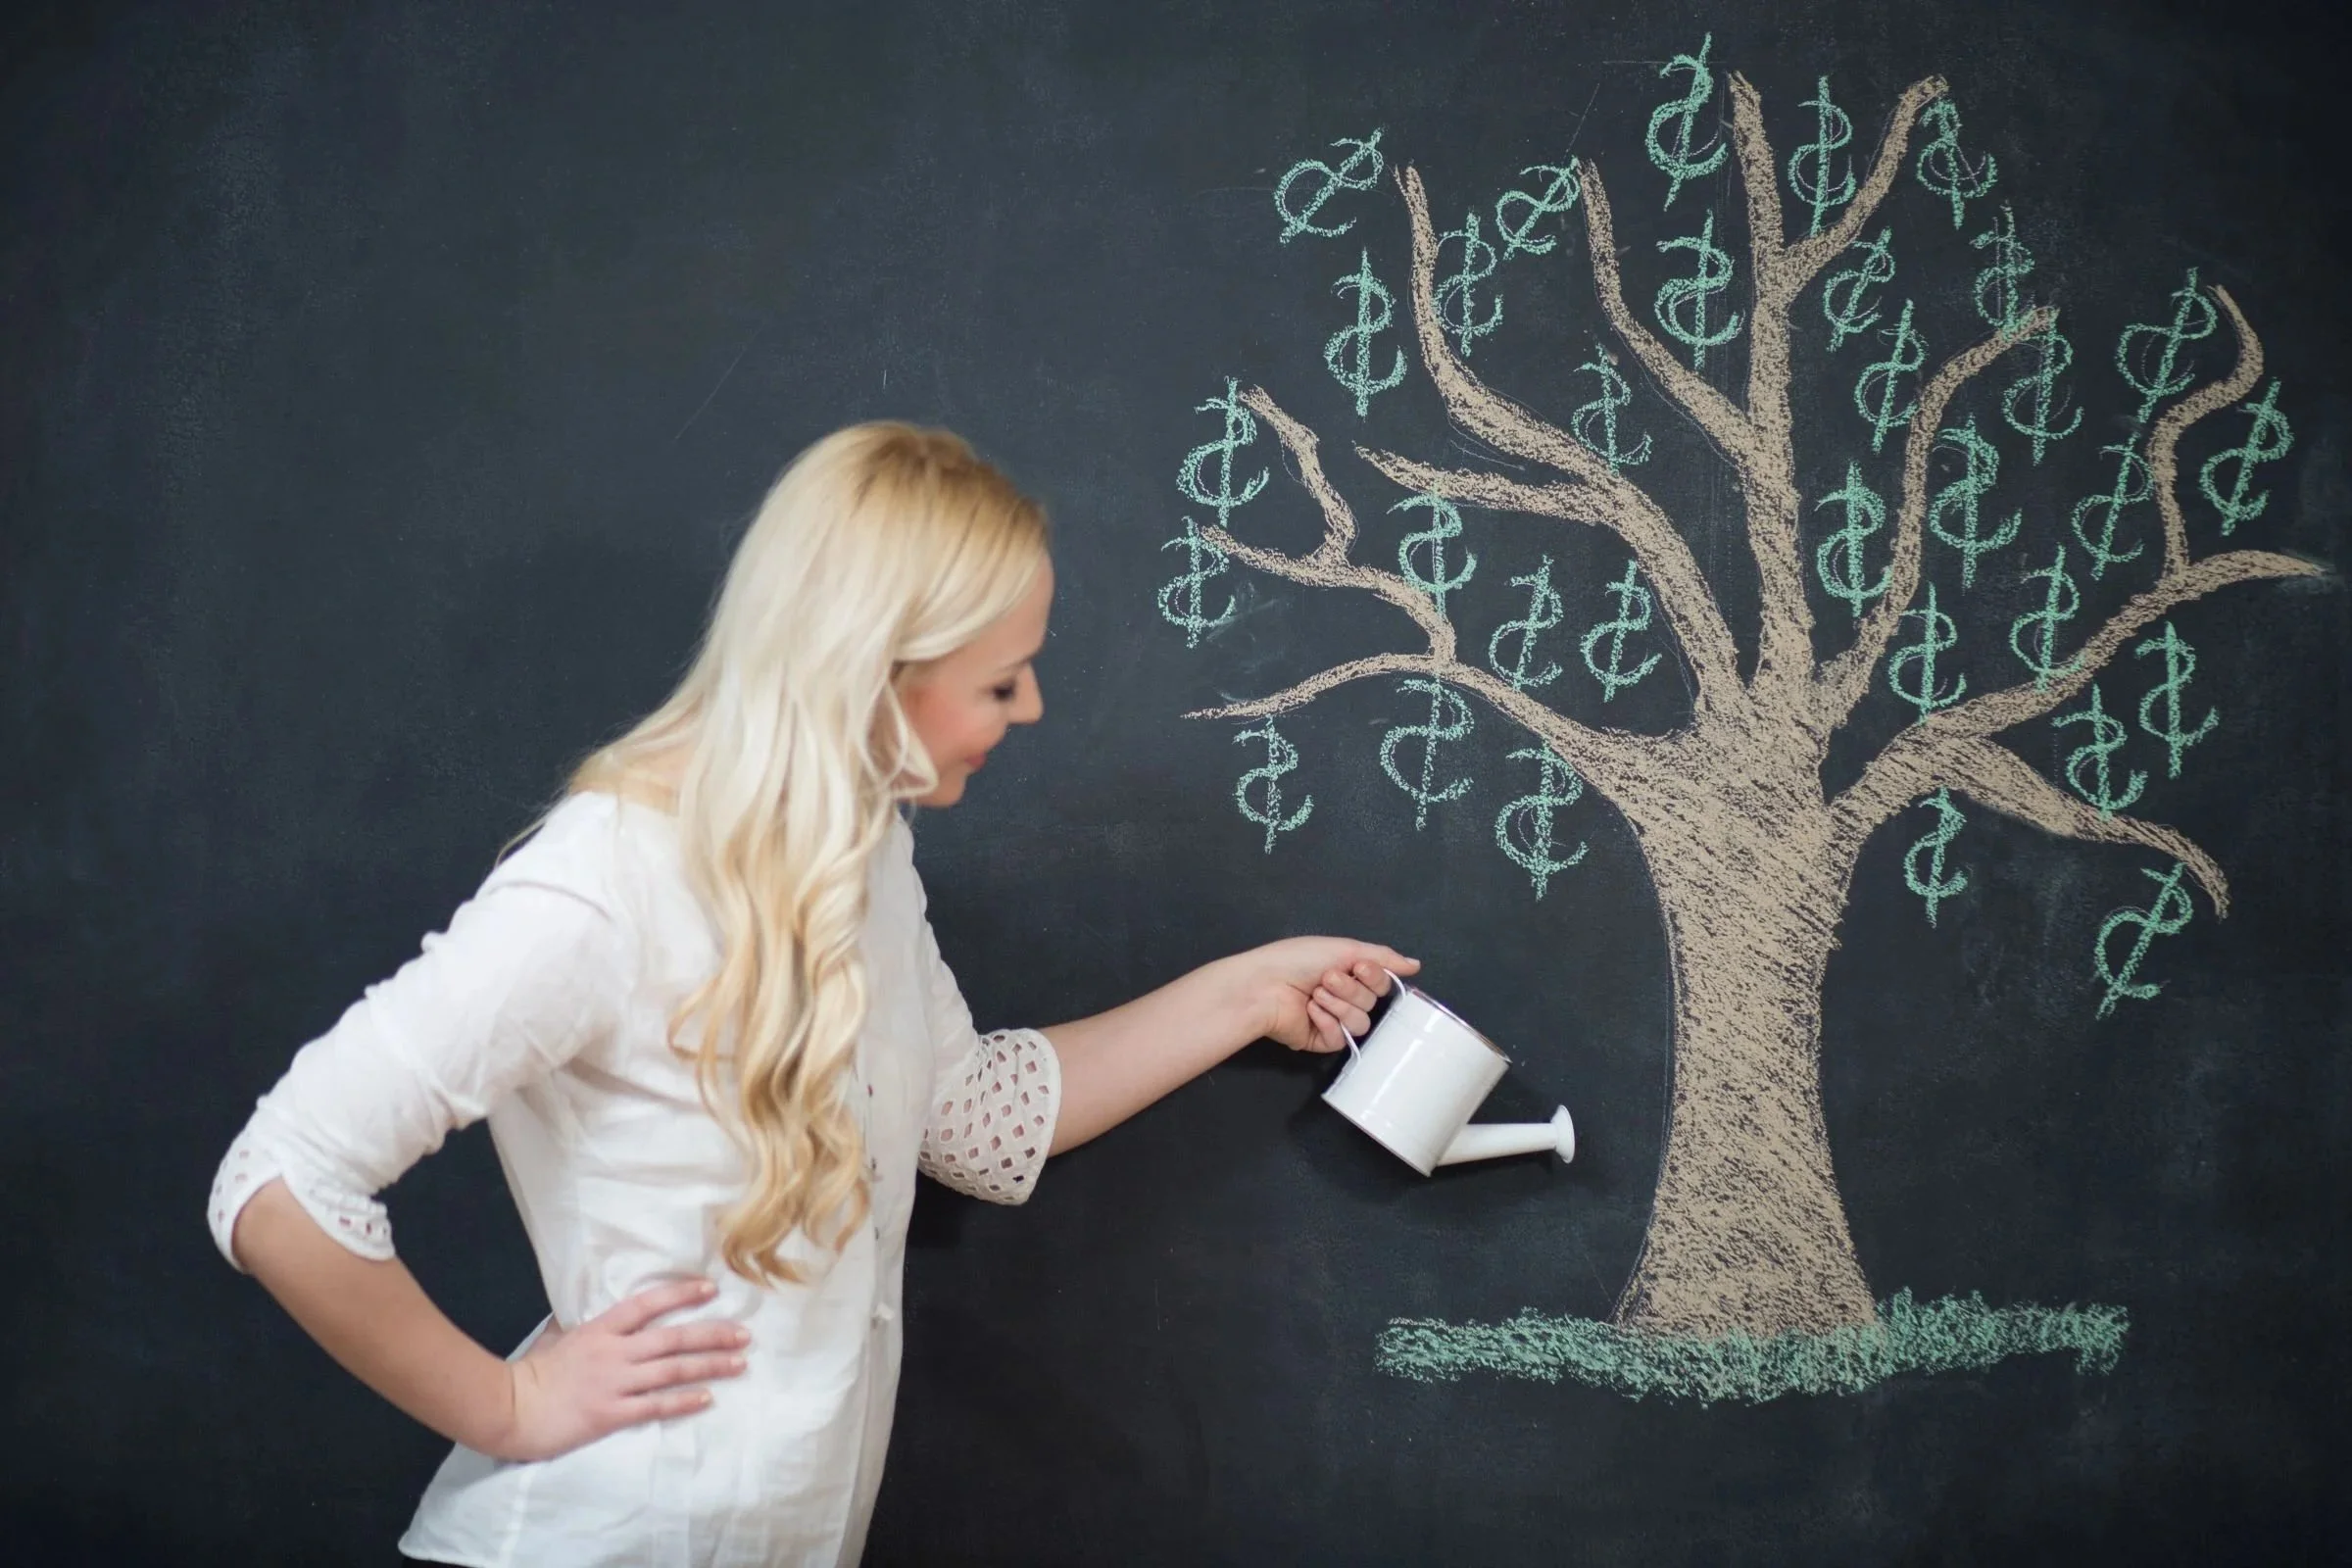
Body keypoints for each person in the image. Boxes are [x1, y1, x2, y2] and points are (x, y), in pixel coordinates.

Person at [207, 422, 1415, 1567]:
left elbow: (972, 1118)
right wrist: (509, 1402)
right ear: (874, 670)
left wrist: (1252, 991)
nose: (1032, 709)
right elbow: (279, 1180)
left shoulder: (863, 852)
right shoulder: (605, 882)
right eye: (1002, 683)